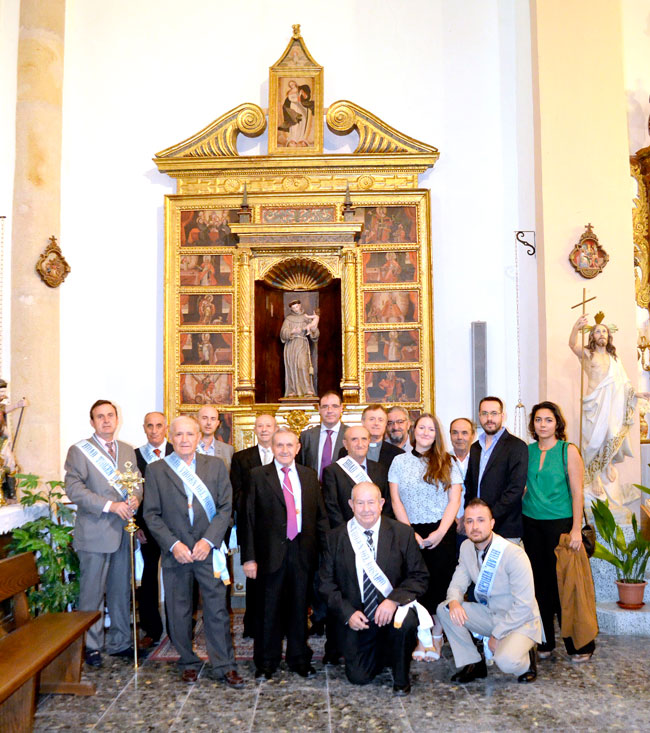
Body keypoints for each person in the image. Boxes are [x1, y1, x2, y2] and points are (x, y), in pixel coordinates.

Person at [143, 416, 243, 687]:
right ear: (170, 437)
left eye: (190, 434)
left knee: (217, 610)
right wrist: (173, 545)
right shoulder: (156, 470)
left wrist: (208, 541)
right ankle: (187, 660)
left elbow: (225, 507)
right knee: (178, 610)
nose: (184, 439)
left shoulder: (216, 466)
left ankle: (224, 665)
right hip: (176, 553)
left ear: (199, 436)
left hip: (207, 551)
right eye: (179, 435)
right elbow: (151, 514)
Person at [319, 482, 429, 695]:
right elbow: (325, 584)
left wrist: (393, 600)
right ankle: (383, 653)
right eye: (360, 503)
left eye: (371, 502)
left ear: (381, 503)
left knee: (405, 624)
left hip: (394, 612)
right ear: (351, 504)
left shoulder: (402, 533)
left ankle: (400, 676)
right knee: (359, 677)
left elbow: (420, 576)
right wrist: (347, 613)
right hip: (359, 618)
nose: (366, 508)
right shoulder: (335, 538)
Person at [241, 428, 329, 680]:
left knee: (300, 609)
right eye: (279, 445)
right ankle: (266, 662)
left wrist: (326, 556)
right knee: (268, 610)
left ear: (298, 447)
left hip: (302, 553)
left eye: (289, 445)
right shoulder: (257, 476)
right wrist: (249, 557)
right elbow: (247, 518)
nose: (284, 450)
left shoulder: (309, 476)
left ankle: (299, 658)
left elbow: (319, 517)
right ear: (272, 447)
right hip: (269, 555)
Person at [64, 400, 141, 667]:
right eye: (100, 417)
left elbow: (136, 483)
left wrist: (134, 500)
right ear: (92, 422)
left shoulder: (128, 450)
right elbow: (74, 490)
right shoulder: (80, 451)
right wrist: (111, 505)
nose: (106, 420)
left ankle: (120, 642)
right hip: (95, 532)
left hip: (122, 532)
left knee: (121, 591)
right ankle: (91, 646)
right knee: (92, 593)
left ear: (117, 419)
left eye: (110, 415)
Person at [438, 498, 542, 684]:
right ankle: (474, 663)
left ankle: (528, 658)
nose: (475, 526)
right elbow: (457, 584)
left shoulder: (513, 554)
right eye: (469, 521)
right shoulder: (466, 548)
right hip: (490, 614)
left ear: (492, 523)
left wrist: (497, 635)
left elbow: (524, 605)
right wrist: (454, 601)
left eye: (481, 520)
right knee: (444, 609)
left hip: (519, 620)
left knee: (505, 661)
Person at [522, 401, 596, 662]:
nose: (542, 424)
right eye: (538, 420)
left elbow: (578, 493)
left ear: (557, 423)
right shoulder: (527, 451)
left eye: (548, 420)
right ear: (533, 424)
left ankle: (579, 645)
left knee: (566, 585)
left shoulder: (568, 451)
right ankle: (545, 641)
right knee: (539, 586)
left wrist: (576, 529)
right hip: (531, 525)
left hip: (561, 526)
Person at [388, 413, 462, 660]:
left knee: (441, 586)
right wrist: (410, 533)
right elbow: (395, 499)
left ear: (436, 434)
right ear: (413, 430)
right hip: (410, 531)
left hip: (442, 531)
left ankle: (438, 637)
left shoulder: (448, 461)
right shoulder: (399, 462)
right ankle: (423, 638)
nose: (426, 433)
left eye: (431, 429)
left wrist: (441, 531)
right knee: (416, 587)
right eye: (422, 428)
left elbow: (454, 499)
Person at [569, 314, 650, 517]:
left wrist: (637, 394)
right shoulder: (588, 354)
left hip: (611, 405)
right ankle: (593, 476)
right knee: (593, 442)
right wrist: (575, 327)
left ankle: (606, 466)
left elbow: (624, 384)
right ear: (592, 336)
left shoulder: (615, 358)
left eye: (604, 331)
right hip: (594, 404)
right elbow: (572, 345)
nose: (601, 334)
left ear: (609, 336)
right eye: (597, 331)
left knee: (611, 435)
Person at [230, 413, 277, 638]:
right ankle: (253, 624)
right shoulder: (242, 458)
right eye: (260, 425)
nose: (264, 429)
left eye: (269, 425)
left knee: (278, 578)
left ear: (275, 428)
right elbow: (236, 492)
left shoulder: (285, 454)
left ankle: (279, 623)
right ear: (255, 430)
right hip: (253, 526)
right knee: (254, 578)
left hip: (279, 529)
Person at [463, 397, 528, 543]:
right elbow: (470, 485)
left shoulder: (517, 446)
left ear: (502, 416)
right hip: (477, 528)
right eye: (485, 413)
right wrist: (472, 516)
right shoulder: (475, 447)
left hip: (505, 527)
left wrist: (488, 516)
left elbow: (515, 489)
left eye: (494, 413)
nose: (489, 418)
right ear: (479, 416)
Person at [134, 411, 173, 647]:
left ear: (166, 427)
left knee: (177, 576)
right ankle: (151, 629)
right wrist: (137, 524)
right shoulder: (135, 456)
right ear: (144, 428)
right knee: (148, 577)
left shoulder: (176, 452)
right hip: (147, 527)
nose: (155, 430)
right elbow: (131, 492)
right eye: (150, 426)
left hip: (174, 527)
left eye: (159, 425)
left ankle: (181, 626)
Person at [322, 425, 392, 529]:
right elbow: (332, 508)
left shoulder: (380, 469)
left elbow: (386, 503)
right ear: (345, 444)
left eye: (364, 439)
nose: (360, 444)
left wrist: (380, 529)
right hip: (347, 533)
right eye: (354, 439)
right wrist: (346, 532)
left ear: (369, 441)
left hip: (378, 532)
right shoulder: (332, 471)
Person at [298, 391, 348, 480]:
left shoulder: (350, 435)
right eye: (325, 407)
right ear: (319, 409)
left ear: (341, 408)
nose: (329, 411)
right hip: (313, 489)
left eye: (335, 406)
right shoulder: (306, 436)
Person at [338, 404, 404, 469]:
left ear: (385, 424)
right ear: (362, 422)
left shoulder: (398, 454)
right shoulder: (346, 451)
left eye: (380, 420)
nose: (376, 423)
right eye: (372, 419)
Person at [280, 299, 319, 397]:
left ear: (300, 306)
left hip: (302, 343)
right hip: (291, 345)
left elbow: (315, 332)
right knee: (292, 367)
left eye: (296, 307)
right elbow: (283, 332)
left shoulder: (306, 317)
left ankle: (307, 389)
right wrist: (292, 331)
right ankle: (292, 390)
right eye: (293, 308)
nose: (295, 309)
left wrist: (313, 330)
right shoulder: (289, 319)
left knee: (303, 365)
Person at [449, 417, 476, 543]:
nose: (459, 437)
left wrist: (467, 518)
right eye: (455, 432)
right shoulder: (441, 462)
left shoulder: (480, 461)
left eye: (464, 433)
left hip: (475, 524)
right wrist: (454, 518)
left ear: (473, 435)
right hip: (448, 524)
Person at [196, 404, 234, 471]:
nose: (208, 423)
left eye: (213, 419)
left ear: (217, 423)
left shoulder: (228, 450)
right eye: (204, 418)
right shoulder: (188, 447)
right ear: (197, 420)